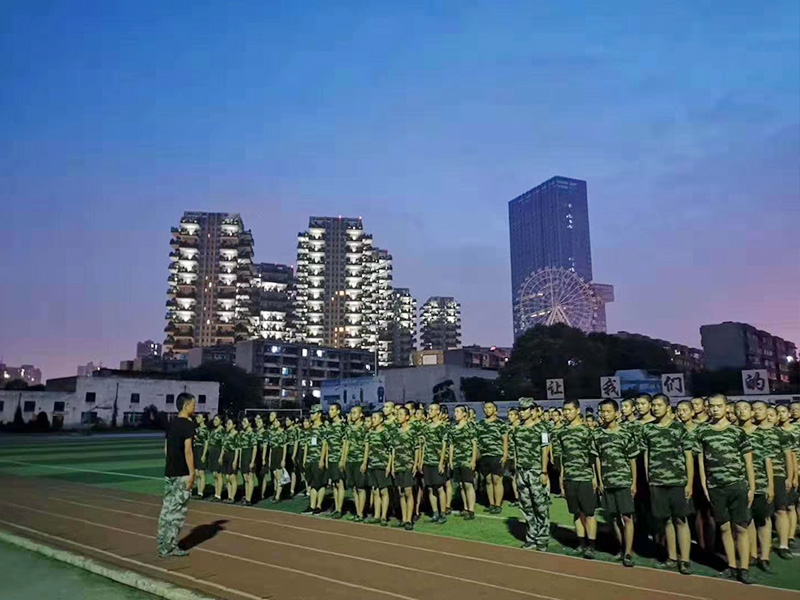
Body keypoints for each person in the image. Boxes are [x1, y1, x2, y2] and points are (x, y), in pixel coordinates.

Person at [695, 394, 755, 584]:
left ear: (726, 407)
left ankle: (743, 568)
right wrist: (705, 485)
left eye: (719, 406)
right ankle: (731, 566)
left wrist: (751, 486)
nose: (715, 409)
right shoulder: (702, 432)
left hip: (737, 485)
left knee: (741, 527)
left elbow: (748, 460)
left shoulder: (737, 432)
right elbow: (701, 460)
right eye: (711, 406)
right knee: (724, 527)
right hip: (715, 487)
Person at [641, 394, 694, 574]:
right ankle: (672, 557)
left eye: (658, 405)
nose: (655, 408)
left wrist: (689, 483)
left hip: (678, 481)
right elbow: (647, 454)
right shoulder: (648, 429)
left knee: (681, 520)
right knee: (666, 521)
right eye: (653, 405)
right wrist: (649, 478)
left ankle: (685, 560)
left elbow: (688, 456)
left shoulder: (679, 428)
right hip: (657, 482)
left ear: (668, 407)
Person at [594, 399, 638, 567]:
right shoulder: (598, 434)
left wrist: (633, 482)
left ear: (617, 413)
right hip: (607, 482)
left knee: (627, 517)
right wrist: (599, 480)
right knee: (613, 517)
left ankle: (628, 552)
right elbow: (597, 458)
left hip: (624, 481)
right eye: (602, 411)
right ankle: (621, 547)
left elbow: (632, 459)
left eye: (608, 411)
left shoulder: (626, 434)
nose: (605, 415)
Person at [556, 400, 598, 559]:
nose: (566, 413)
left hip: (585, 477)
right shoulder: (562, 432)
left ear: (577, 410)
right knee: (576, 513)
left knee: (589, 513)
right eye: (564, 410)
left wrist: (594, 477)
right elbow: (563, 460)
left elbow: (593, 457)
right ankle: (581, 544)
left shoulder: (587, 431)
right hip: (569, 478)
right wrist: (561, 479)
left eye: (569, 410)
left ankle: (592, 546)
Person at [736, 401, 775, 572]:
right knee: (746, 520)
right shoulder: (733, 432)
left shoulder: (761, 434)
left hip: (760, 483)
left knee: (763, 520)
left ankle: (764, 556)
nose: (742, 411)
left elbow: (768, 460)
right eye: (738, 409)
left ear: (752, 413)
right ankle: (751, 554)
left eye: (745, 408)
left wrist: (771, 486)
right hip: (741, 484)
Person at [157, 393, 197, 557]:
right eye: (193, 405)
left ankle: (162, 544)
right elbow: (188, 450)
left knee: (166, 510)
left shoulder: (171, 423)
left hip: (170, 472)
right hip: (181, 474)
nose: (195, 408)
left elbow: (166, 449)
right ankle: (169, 547)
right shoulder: (188, 425)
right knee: (177, 512)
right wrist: (192, 473)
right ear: (186, 405)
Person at [754, 401, 794, 560]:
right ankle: (764, 546)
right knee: (763, 514)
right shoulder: (753, 432)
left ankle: (783, 544)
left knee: (780, 510)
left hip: (778, 475)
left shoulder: (781, 433)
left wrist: (790, 477)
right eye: (755, 409)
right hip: (759, 477)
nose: (758, 412)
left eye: (761, 409)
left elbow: (788, 457)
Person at [513, 398, 551, 551]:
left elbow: (545, 450)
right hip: (522, 471)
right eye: (520, 409)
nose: (521, 412)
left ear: (533, 411)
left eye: (525, 409)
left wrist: (543, 471)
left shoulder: (542, 428)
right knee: (526, 506)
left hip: (536, 471)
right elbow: (516, 450)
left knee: (540, 506)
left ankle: (542, 538)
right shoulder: (517, 429)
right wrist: (516, 469)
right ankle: (531, 537)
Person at [476, 401, 509, 514]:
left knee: (497, 480)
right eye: (485, 408)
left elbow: (505, 439)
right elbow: (477, 441)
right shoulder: (479, 424)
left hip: (497, 455)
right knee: (488, 480)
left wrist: (505, 455)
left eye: (490, 408)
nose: (487, 410)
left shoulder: (501, 423)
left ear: (495, 409)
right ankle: (491, 504)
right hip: (484, 456)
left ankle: (498, 505)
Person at [420, 403, 449, 524]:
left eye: (432, 409)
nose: (430, 411)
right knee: (430, 488)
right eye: (429, 409)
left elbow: (444, 446)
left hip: (437, 461)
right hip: (427, 461)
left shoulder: (442, 427)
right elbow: (424, 444)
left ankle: (443, 513)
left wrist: (441, 462)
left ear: (438, 412)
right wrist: (421, 461)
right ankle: (435, 513)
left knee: (439, 488)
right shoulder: (426, 427)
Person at [392, 406, 420, 530]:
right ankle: (403, 518)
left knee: (409, 492)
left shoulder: (413, 431)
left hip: (408, 465)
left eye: (401, 414)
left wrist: (415, 464)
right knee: (401, 493)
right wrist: (392, 465)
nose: (399, 417)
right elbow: (393, 450)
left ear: (407, 417)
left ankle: (409, 519)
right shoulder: (395, 432)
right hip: (398, 465)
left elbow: (417, 449)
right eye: (397, 414)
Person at [776, 404, 799, 549]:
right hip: (783, 472)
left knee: (792, 504)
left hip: (795, 469)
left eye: (784, 412)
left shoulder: (796, 430)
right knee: (788, 505)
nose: (781, 414)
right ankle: (788, 536)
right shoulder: (776, 432)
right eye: (778, 412)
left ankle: (790, 536)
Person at [450, 405, 478, 519]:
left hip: (467, 460)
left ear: (464, 414)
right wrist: (451, 460)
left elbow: (474, 444)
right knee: (461, 485)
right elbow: (451, 445)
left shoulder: (470, 427)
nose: (455, 414)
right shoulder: (453, 428)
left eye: (458, 411)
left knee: (468, 484)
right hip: (457, 460)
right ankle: (465, 508)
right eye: (455, 411)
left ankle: (471, 510)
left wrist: (473, 460)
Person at [364, 411, 393, 525]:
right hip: (373, 465)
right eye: (372, 418)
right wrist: (365, 463)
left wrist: (389, 465)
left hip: (382, 465)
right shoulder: (370, 433)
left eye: (375, 418)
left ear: (381, 419)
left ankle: (384, 516)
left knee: (384, 491)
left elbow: (391, 449)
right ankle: (376, 515)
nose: (373, 420)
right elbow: (367, 449)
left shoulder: (385, 433)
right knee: (375, 491)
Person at [343, 406, 369, 521]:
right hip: (350, 460)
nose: (352, 415)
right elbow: (346, 444)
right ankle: (357, 511)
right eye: (351, 413)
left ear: (361, 414)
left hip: (359, 460)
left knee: (360, 487)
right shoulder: (349, 428)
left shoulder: (364, 428)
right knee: (353, 488)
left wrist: (364, 462)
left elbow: (367, 446)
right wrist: (343, 460)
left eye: (354, 413)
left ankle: (361, 513)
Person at [302, 405, 327, 515]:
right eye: (311, 413)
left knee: (320, 483)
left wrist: (322, 459)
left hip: (318, 459)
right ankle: (312, 505)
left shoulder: (323, 428)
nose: (311, 415)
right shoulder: (310, 429)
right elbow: (307, 444)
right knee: (312, 483)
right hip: (310, 459)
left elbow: (325, 445)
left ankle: (319, 505)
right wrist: (305, 458)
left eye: (314, 413)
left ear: (319, 414)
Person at [325, 403, 348, 519]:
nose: (330, 412)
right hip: (331, 458)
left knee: (340, 483)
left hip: (339, 458)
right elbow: (327, 444)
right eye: (330, 409)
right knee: (334, 484)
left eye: (333, 409)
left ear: (338, 411)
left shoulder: (343, 426)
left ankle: (340, 509)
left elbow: (345, 443)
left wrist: (342, 459)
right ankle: (336, 507)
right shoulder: (330, 426)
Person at [238, 416, 258, 505]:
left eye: (245, 422)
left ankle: (249, 499)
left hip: (249, 455)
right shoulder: (243, 434)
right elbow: (241, 448)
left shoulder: (252, 434)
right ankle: (246, 496)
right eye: (243, 422)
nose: (243, 424)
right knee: (245, 478)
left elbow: (255, 448)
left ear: (250, 423)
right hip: (244, 456)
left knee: (250, 478)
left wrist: (253, 461)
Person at [219, 418, 239, 503]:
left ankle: (232, 497)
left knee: (232, 477)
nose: (227, 425)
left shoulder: (236, 435)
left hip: (232, 455)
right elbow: (224, 446)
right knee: (227, 477)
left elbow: (237, 449)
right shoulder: (226, 434)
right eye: (227, 423)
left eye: (230, 424)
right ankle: (229, 496)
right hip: (226, 455)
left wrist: (235, 460)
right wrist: (221, 456)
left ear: (234, 425)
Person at [268, 417, 288, 503]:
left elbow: (285, 447)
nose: (275, 423)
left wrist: (283, 459)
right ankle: (275, 492)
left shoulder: (284, 433)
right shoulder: (273, 433)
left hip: (280, 453)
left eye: (277, 421)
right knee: (275, 475)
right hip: (273, 454)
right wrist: (269, 458)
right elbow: (271, 447)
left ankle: (278, 496)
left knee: (279, 476)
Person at [206, 415, 225, 502]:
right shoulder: (213, 430)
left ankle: (219, 495)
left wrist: (221, 456)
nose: (214, 421)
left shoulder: (222, 431)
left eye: (217, 420)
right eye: (214, 420)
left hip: (218, 452)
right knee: (214, 474)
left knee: (218, 474)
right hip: (212, 453)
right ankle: (216, 493)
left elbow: (224, 445)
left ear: (221, 421)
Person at [192, 413, 209, 498]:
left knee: (201, 472)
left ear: (204, 419)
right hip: (195, 449)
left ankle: (201, 493)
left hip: (201, 450)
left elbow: (206, 442)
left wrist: (204, 454)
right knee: (197, 472)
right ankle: (198, 491)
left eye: (199, 417)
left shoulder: (205, 430)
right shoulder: (196, 429)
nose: (197, 418)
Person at [506, 408, 521, 506]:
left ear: (517, 416)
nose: (509, 417)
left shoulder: (520, 428)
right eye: (509, 415)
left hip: (520, 456)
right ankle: (516, 498)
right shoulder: (508, 428)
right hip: (510, 456)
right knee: (513, 477)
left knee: (520, 478)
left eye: (512, 415)